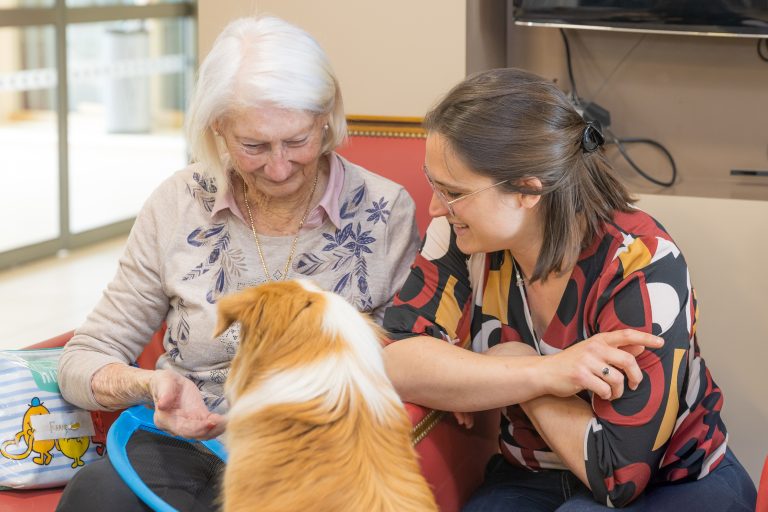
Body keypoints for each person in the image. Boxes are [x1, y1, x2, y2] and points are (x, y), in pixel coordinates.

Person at [56, 16, 419, 511]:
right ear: (218, 128)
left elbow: (413, 356)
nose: (278, 167)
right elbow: (83, 359)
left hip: (316, 450)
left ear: (325, 118)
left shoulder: (384, 209)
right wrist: (149, 385)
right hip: (186, 444)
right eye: (254, 146)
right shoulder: (178, 202)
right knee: (96, 496)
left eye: (297, 141)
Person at [382, 68, 756, 511]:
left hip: (673, 481)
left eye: (453, 192)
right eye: (434, 184)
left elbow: (618, 474)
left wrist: (509, 366)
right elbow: (396, 361)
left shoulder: (641, 261)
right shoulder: (460, 237)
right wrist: (542, 372)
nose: (434, 207)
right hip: (531, 472)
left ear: (527, 190)